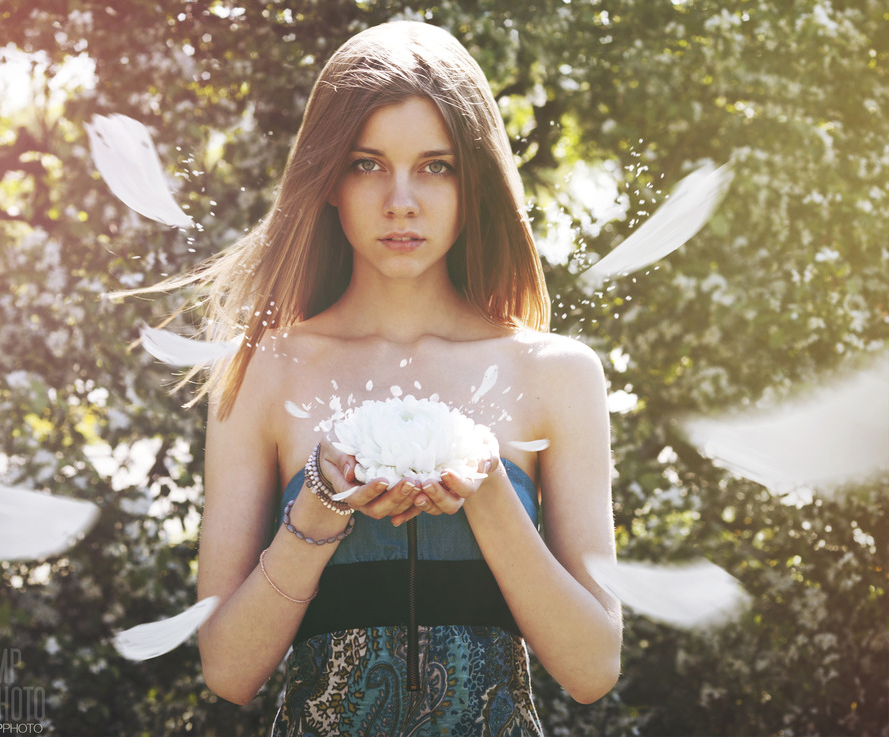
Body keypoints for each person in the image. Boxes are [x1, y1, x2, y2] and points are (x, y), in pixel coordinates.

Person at [188, 20, 621, 735]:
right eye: (366, 164)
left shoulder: (558, 375)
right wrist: (322, 507)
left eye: (435, 165)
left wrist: (486, 494)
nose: (400, 200)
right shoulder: (263, 370)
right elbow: (227, 671)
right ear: (327, 178)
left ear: (472, 178)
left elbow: (593, 665)